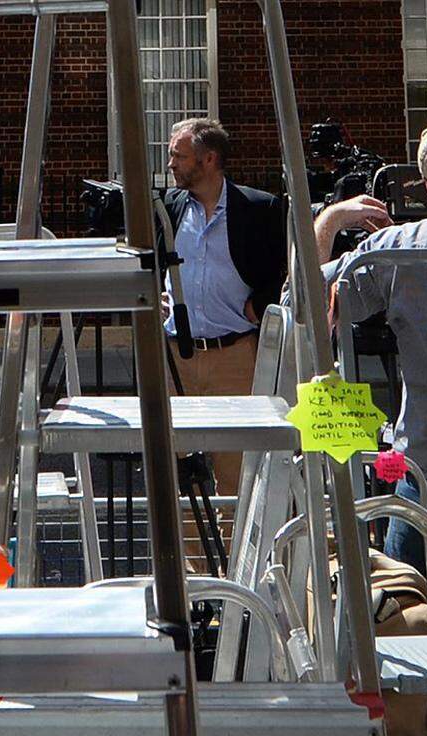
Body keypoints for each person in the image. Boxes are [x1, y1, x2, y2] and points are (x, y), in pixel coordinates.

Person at [315, 126, 427, 736]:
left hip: (419, 472)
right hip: (417, 468)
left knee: (400, 637)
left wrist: (330, 221)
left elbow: (303, 301)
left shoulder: (402, 248)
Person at [159, 118, 288, 504]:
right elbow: (149, 260)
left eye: (179, 156)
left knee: (237, 475)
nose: (171, 165)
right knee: (181, 478)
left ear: (209, 159)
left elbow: (286, 267)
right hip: (175, 355)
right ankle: (192, 566)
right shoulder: (170, 207)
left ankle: (236, 564)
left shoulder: (260, 208)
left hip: (234, 355)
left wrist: (261, 300)